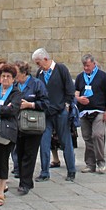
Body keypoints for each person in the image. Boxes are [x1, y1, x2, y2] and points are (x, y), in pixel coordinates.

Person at [33, 48, 76, 182]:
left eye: (38, 62)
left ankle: (71, 170)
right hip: (46, 113)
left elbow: (69, 89)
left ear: (45, 59)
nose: (37, 65)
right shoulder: (39, 73)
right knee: (44, 142)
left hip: (60, 111)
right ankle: (44, 172)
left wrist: (67, 105)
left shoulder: (61, 69)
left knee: (65, 141)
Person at [13, 60, 50, 196]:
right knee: (20, 153)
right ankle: (25, 180)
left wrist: (31, 105)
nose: (14, 76)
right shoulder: (14, 85)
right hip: (17, 124)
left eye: (16, 73)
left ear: (24, 73)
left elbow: (46, 103)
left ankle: (25, 183)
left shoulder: (37, 84)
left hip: (33, 125)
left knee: (29, 154)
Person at [0, 64, 21, 207]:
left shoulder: (16, 93)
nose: (5, 79)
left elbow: (12, 109)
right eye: (3, 76)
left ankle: (1, 191)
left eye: (8, 76)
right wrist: (0, 109)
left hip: (7, 130)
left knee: (2, 159)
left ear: (13, 79)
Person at [74, 54, 106, 174]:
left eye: (88, 65)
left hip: (99, 111)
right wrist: (79, 99)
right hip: (84, 112)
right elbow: (76, 92)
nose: (86, 68)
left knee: (97, 135)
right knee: (87, 138)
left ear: (93, 64)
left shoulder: (103, 77)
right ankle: (90, 164)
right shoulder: (80, 77)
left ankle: (101, 161)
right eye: (84, 66)